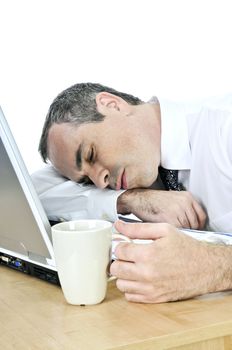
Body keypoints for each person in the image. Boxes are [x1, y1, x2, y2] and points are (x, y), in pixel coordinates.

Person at [33, 82, 232, 303]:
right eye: (86, 181)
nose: (100, 182)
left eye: (90, 154)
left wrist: (208, 268)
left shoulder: (224, 128)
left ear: (112, 105)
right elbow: (33, 194)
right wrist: (127, 200)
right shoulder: (139, 169)